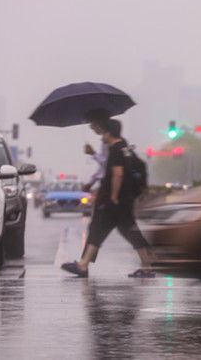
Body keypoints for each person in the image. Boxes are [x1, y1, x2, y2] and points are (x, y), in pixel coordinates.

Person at [61, 119, 154, 278]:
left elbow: (118, 174)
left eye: (103, 132)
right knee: (111, 230)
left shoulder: (116, 149)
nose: (101, 136)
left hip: (116, 201)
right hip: (123, 199)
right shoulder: (124, 148)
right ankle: (146, 266)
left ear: (109, 132)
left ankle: (84, 265)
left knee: (113, 230)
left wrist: (113, 196)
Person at [82, 108, 110, 193]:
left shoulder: (111, 141)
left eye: (92, 125)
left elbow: (107, 163)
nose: (92, 129)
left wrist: (93, 153)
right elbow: (102, 168)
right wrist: (91, 182)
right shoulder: (105, 140)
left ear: (99, 124)